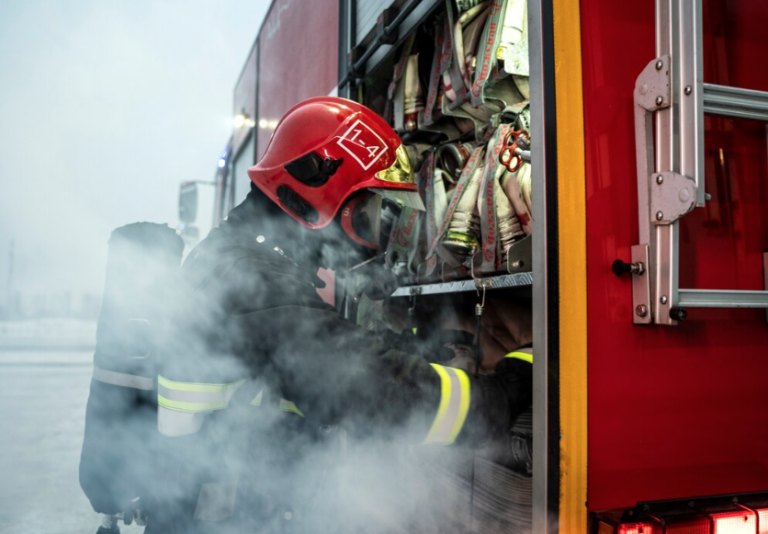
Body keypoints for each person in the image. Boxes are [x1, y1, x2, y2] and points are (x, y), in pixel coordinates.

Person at [147, 96, 532, 534]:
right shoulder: (254, 279)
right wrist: (508, 388)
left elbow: (312, 355)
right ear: (318, 192)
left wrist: (413, 349)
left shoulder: (242, 258)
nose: (375, 240)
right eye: (369, 215)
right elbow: (373, 392)